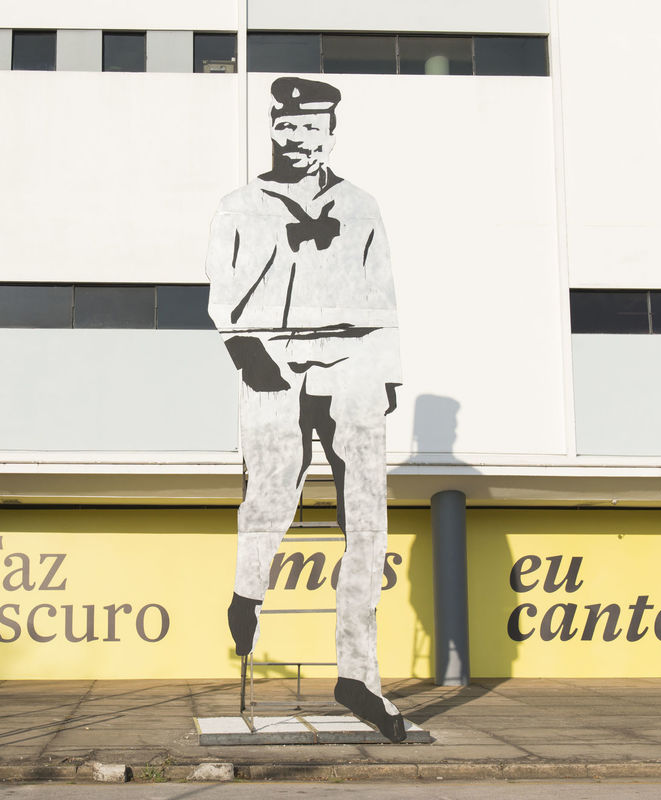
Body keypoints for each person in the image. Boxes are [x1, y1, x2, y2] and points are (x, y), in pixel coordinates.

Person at [206, 77, 404, 742]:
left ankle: (358, 675)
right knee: (269, 500)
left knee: (367, 522)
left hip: (353, 365)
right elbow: (220, 291)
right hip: (274, 362)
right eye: (288, 126)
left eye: (312, 127)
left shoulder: (360, 204)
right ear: (273, 128)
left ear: (329, 132)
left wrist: (387, 372)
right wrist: (244, 351)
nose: (299, 138)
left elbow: (381, 294)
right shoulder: (240, 205)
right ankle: (247, 593)